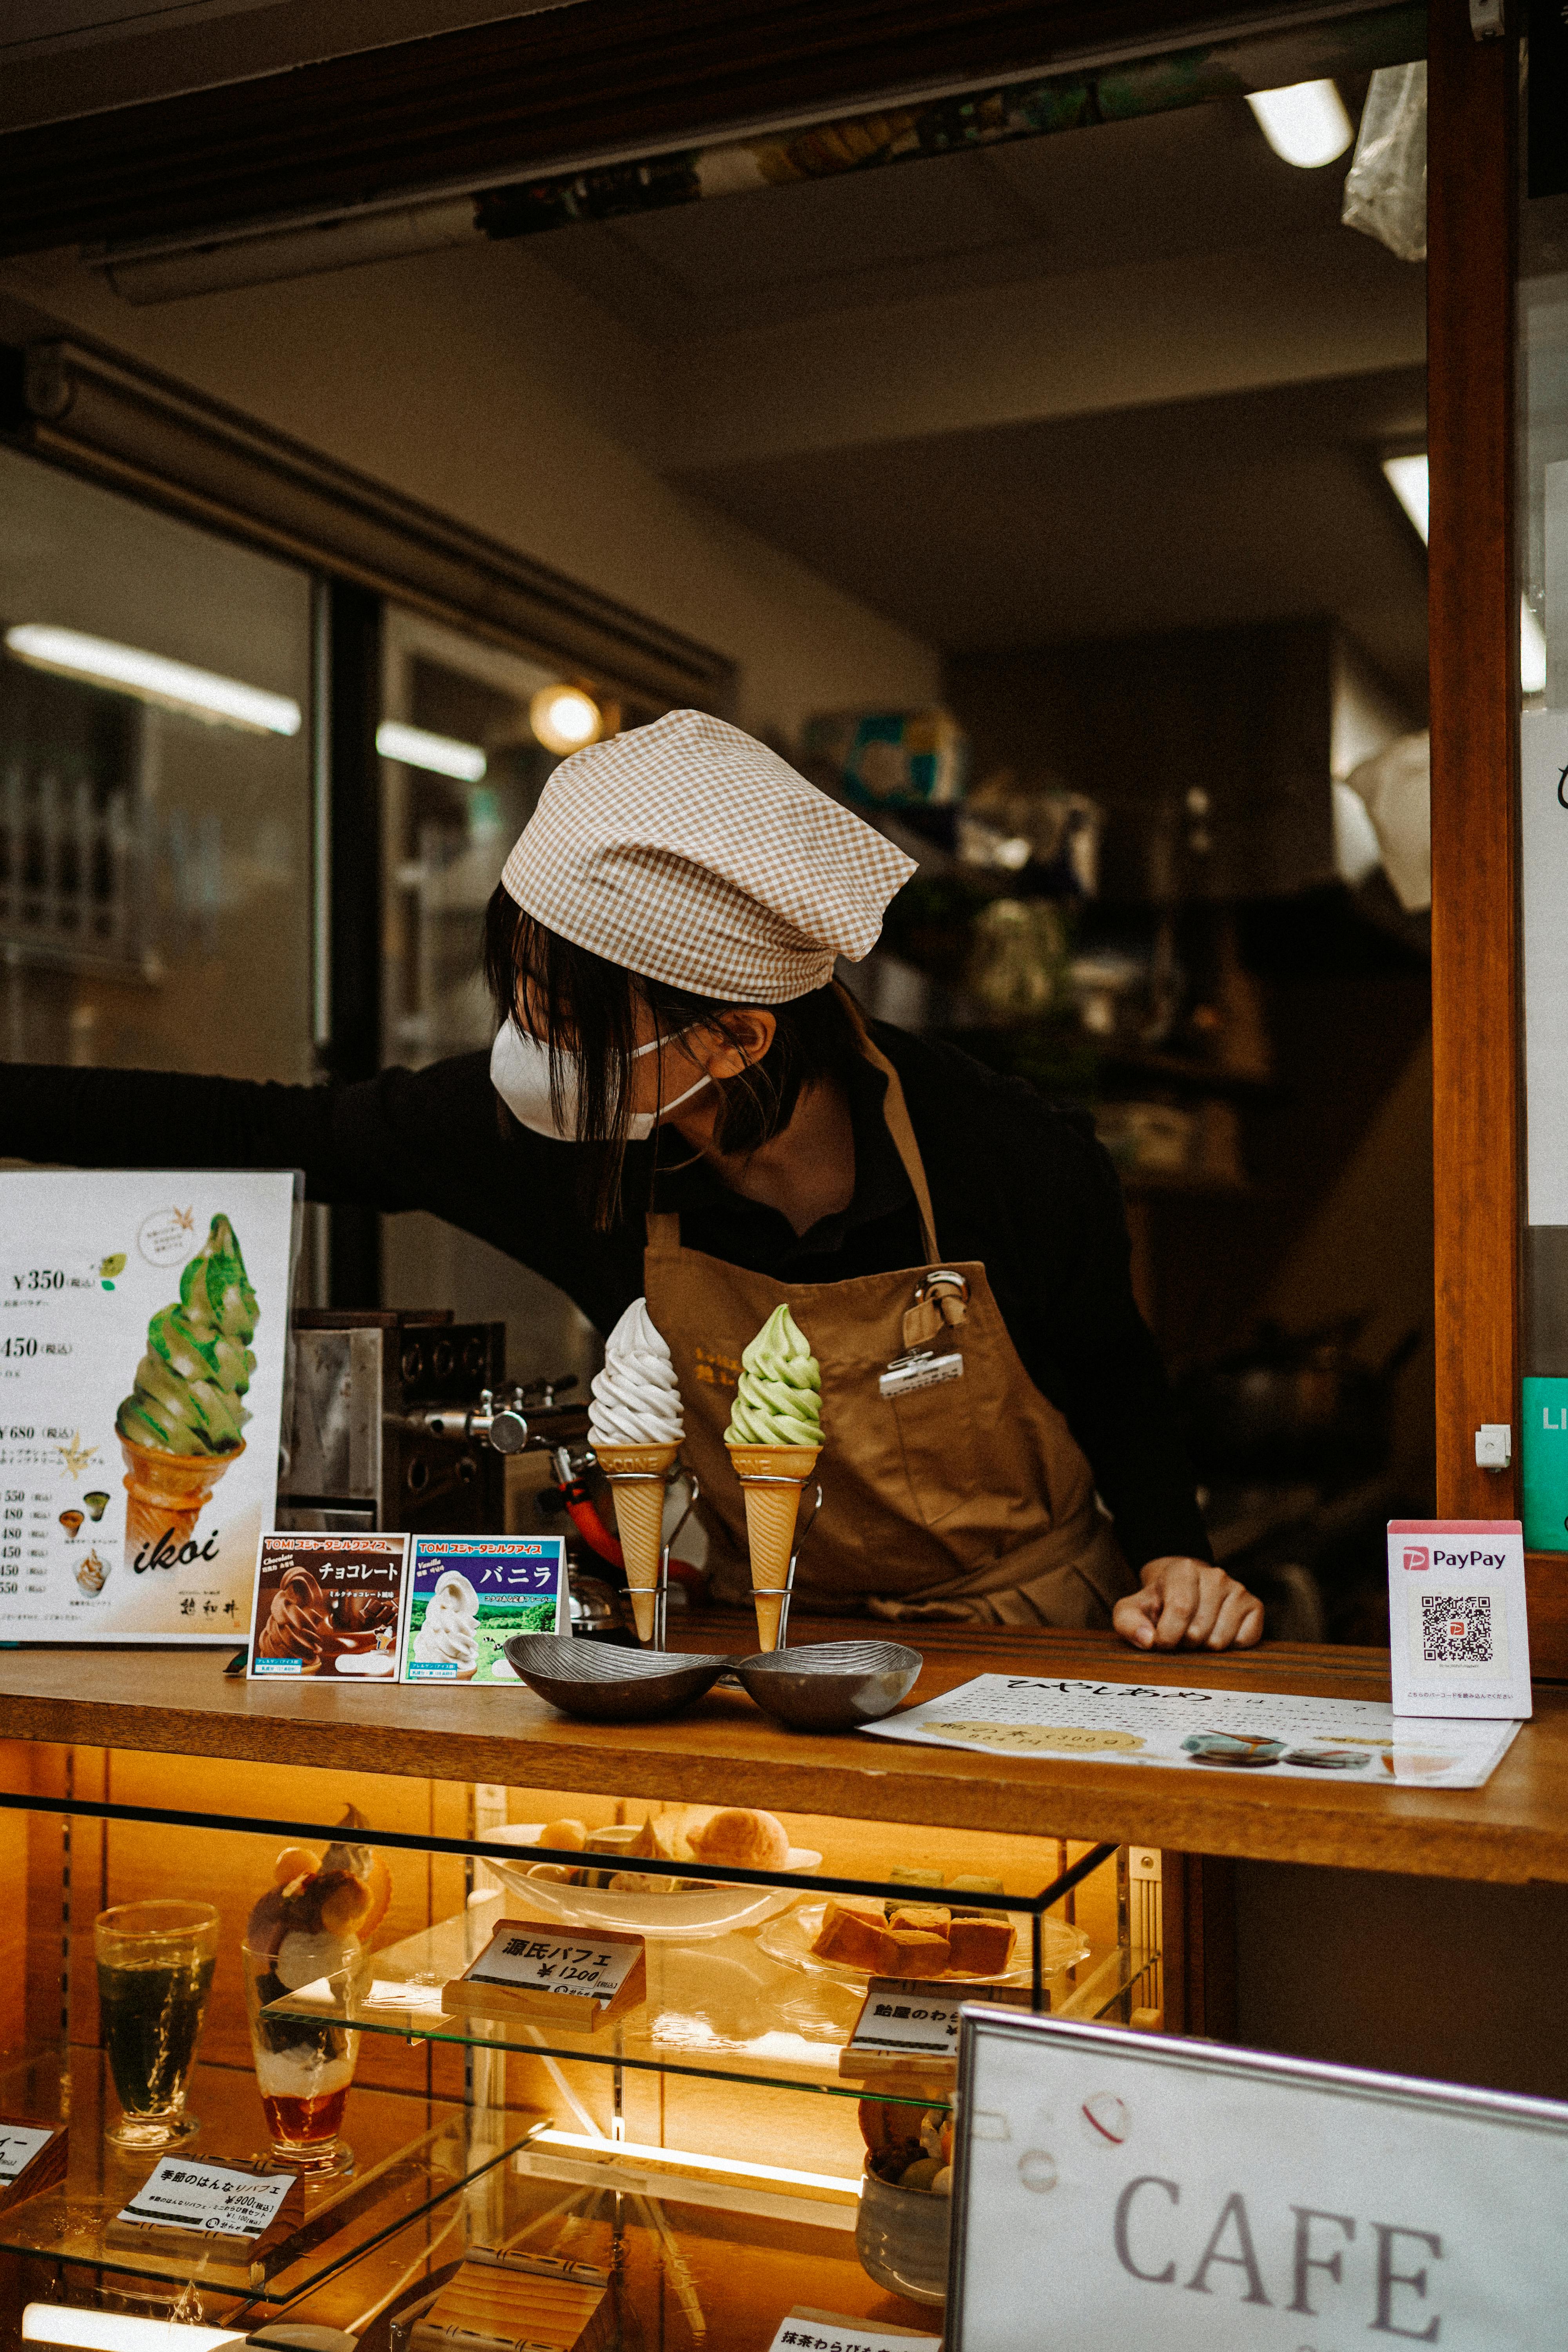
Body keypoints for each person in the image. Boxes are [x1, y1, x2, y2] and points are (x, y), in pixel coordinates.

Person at [2, 709, 1261, 1651]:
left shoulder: (1008, 1155)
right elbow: (286, 1131)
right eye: (525, 1002)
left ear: (735, 1037)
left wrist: (1180, 1563)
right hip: (782, 1641)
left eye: (565, 1019)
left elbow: (1115, 1378)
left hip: (1035, 1634)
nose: (525, 1048)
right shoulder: (569, 1151)